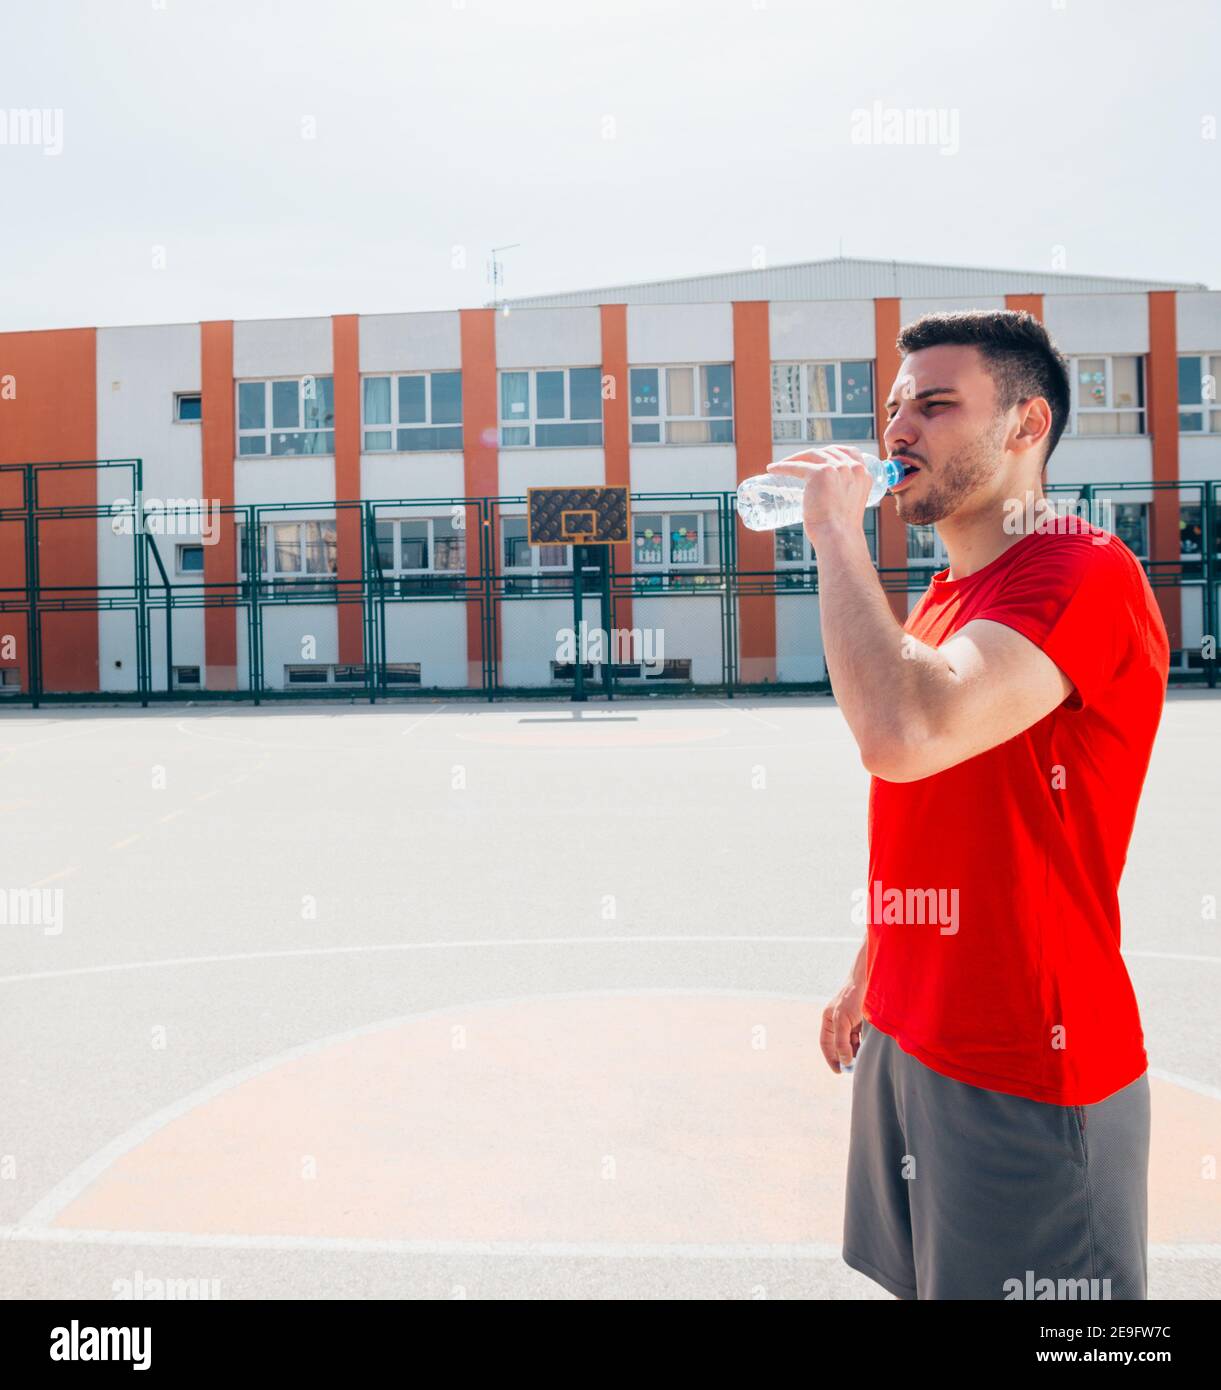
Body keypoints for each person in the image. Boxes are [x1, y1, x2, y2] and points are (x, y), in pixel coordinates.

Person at [767, 310, 1169, 1301]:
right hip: (913, 1035)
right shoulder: (949, 594)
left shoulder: (1078, 567)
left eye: (937, 405)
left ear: (1025, 426)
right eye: (895, 406)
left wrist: (831, 533)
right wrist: (874, 970)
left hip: (1028, 1062)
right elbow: (938, 810)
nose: (900, 429)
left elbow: (904, 733)